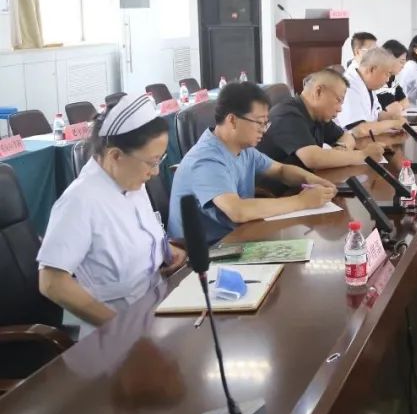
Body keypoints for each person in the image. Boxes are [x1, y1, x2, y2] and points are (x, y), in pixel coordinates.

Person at [37, 94, 187, 330]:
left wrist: (164, 250)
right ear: (116, 155)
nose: (156, 172)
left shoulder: (130, 179)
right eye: (152, 162)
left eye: (160, 160)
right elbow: (51, 283)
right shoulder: (80, 200)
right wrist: (117, 326)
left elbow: (132, 237)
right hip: (117, 328)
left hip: (155, 306)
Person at [167, 82, 338, 244]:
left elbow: (280, 170)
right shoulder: (206, 160)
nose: (263, 130)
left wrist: (312, 180)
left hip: (237, 237)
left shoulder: (242, 148)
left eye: (265, 123)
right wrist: (302, 201)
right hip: (206, 252)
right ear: (232, 120)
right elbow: (238, 211)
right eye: (259, 123)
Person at [257, 68, 384, 171]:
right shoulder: (287, 114)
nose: (340, 109)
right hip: (277, 191)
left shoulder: (317, 115)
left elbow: (346, 137)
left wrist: (340, 150)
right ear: (318, 92)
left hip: (305, 183)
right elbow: (313, 159)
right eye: (338, 100)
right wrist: (364, 155)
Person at [337, 47, 407, 136]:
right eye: (387, 74)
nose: (387, 80)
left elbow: (376, 115)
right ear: (372, 69)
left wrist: (393, 117)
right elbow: (359, 130)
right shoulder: (349, 85)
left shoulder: (367, 84)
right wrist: (393, 123)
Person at [377, 39, 410, 113]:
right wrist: (398, 105)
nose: (403, 66)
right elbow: (393, 109)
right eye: (401, 62)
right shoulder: (379, 78)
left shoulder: (392, 78)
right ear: (390, 58)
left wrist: (398, 105)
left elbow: (406, 102)